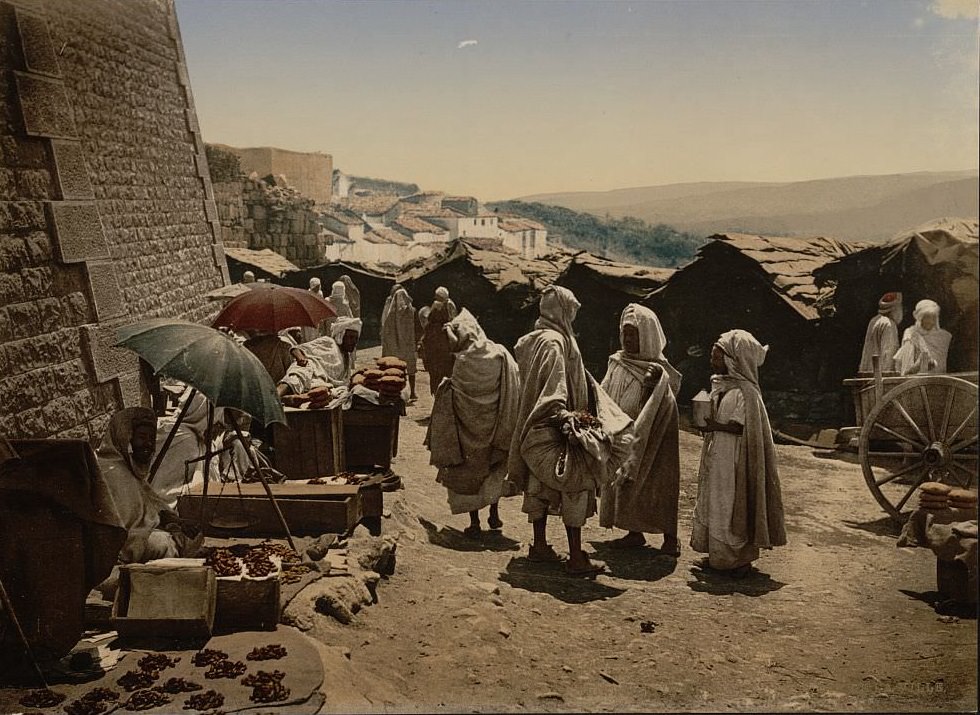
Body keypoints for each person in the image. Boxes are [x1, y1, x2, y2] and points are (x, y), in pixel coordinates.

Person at [507, 286, 632, 578]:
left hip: (535, 427)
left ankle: (539, 546)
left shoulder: (538, 339)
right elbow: (553, 389)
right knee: (575, 484)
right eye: (571, 311)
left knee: (540, 487)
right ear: (562, 311)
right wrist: (570, 417)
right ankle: (576, 557)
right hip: (556, 426)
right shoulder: (554, 343)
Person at [691, 330, 786, 577]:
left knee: (731, 504)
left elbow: (740, 427)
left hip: (735, 459)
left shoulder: (746, 393)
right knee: (716, 501)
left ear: (734, 360)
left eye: (717, 357)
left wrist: (714, 426)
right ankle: (717, 556)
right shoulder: (723, 387)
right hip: (719, 454)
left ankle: (736, 561)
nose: (712, 362)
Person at [426, 310, 520, 537]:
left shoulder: (463, 361)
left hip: (469, 432)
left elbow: (457, 392)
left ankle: (475, 522)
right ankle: (494, 513)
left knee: (469, 473)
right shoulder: (499, 354)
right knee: (493, 468)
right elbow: (515, 380)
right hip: (495, 426)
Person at [599, 304, 682, 556]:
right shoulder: (618, 362)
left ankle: (670, 537)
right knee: (625, 482)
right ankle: (634, 532)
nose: (628, 338)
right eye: (625, 332)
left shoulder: (657, 369)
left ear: (647, 335)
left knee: (659, 482)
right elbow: (603, 391)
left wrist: (650, 385)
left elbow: (658, 401)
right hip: (624, 432)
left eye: (634, 333)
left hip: (654, 433)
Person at [96, 408, 200, 563]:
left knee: (193, 534)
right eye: (142, 437)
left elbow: (152, 508)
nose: (148, 444)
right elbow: (122, 529)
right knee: (164, 544)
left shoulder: (129, 468)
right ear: (126, 438)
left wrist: (177, 522)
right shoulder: (111, 471)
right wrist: (162, 529)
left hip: (144, 532)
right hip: (121, 545)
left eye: (152, 438)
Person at [894, 299, 952, 375]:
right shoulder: (911, 333)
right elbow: (906, 364)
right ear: (920, 318)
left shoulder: (944, 337)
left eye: (933, 317)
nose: (931, 321)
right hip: (916, 380)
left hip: (940, 380)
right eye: (927, 317)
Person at [381, 284, 419, 400]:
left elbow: (385, 326)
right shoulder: (407, 309)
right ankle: (405, 391)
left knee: (404, 366)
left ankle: (408, 391)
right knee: (404, 367)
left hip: (401, 344)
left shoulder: (396, 311)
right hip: (404, 344)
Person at [422, 288, 456, 396]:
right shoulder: (438, 305)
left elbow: (452, 320)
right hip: (437, 343)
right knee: (437, 371)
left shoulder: (448, 305)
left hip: (442, 342)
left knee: (443, 370)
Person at [859, 292, 902, 373]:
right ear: (895, 308)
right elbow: (888, 355)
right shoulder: (889, 324)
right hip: (880, 377)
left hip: (868, 373)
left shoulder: (874, 320)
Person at [330, 315, 363, 383]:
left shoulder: (347, 356)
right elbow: (305, 348)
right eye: (351, 337)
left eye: (356, 338)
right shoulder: (328, 343)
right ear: (340, 336)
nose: (354, 342)